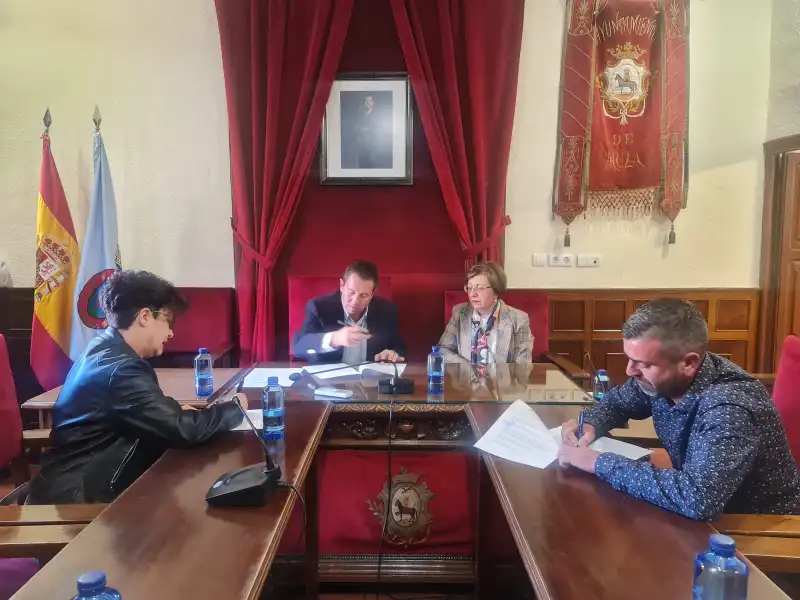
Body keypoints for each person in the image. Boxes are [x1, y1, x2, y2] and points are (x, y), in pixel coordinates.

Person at [558, 298, 800, 521]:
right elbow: (617, 403)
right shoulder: (663, 376)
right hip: (705, 512)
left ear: (689, 363)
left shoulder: (729, 407)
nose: (630, 371)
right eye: (629, 359)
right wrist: (591, 423)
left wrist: (598, 462)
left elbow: (698, 499)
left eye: (643, 364)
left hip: (760, 527)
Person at [26, 270, 245, 504]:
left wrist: (173, 412)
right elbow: (183, 430)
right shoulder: (123, 370)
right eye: (168, 322)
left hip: (84, 485)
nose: (171, 333)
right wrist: (236, 408)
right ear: (145, 316)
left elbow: (144, 410)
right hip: (82, 501)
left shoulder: (102, 348)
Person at [293, 260, 405, 365]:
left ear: (373, 293)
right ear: (342, 286)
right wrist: (333, 339)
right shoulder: (319, 307)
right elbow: (298, 347)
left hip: (369, 378)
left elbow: (399, 349)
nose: (355, 301)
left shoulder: (386, 310)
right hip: (328, 378)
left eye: (364, 295)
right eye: (351, 292)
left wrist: (392, 354)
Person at [438, 261, 533, 364]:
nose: (472, 294)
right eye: (469, 287)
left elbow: (523, 366)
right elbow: (444, 349)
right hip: (466, 374)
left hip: (502, 375)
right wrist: (467, 368)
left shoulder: (518, 319)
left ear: (496, 291)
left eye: (479, 288)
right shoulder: (459, 312)